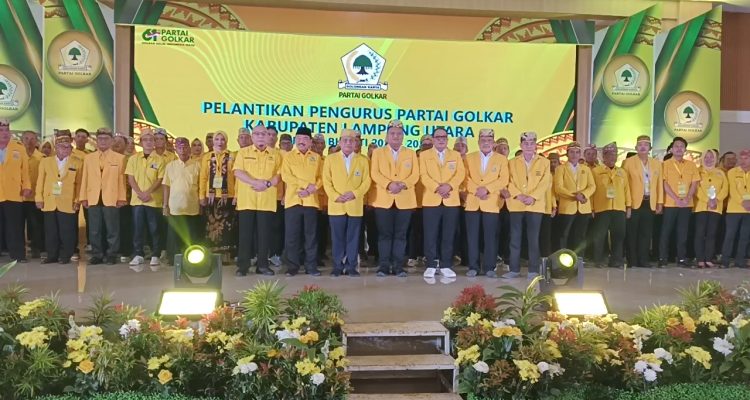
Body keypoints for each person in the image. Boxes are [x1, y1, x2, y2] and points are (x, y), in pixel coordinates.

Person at [369, 120, 419, 277]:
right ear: (386, 136)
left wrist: (403, 184)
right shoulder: (378, 153)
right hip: (384, 199)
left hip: (404, 200)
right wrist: (389, 184)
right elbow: (374, 173)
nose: (395, 136)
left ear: (403, 136)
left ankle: (398, 266)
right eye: (392, 133)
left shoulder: (410, 153)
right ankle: (383, 266)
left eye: (399, 134)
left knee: (401, 235)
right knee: (384, 235)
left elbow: (415, 174)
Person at [233, 124, 282, 276]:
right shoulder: (243, 152)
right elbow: (237, 172)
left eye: (264, 134)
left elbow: (279, 175)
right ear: (252, 137)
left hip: (266, 199)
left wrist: (267, 184)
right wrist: (255, 182)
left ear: (268, 136)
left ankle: (263, 265)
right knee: (245, 235)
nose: (261, 136)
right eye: (257, 134)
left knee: (264, 235)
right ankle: (243, 266)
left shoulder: (276, 154)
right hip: (247, 199)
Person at [322, 129, 371, 276]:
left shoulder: (363, 160)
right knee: (337, 238)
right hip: (336, 204)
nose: (348, 143)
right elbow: (326, 181)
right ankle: (337, 266)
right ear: (340, 142)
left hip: (355, 204)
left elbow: (367, 181)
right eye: (345, 140)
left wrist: (355, 194)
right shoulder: (330, 159)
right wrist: (335, 196)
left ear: (356, 143)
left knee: (354, 238)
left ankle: (351, 266)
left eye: (352, 140)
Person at [419, 128, 465, 279]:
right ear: (433, 139)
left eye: (444, 137)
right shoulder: (424, 155)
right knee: (430, 234)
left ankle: (446, 265)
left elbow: (460, 174)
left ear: (447, 139)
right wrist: (437, 188)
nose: (441, 139)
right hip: (431, 199)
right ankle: (431, 264)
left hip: (451, 199)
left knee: (448, 234)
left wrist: (449, 186)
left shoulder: (455, 155)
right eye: (438, 137)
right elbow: (423, 175)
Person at [505, 131, 550, 279]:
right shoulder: (512, 162)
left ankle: (533, 270)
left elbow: (545, 183)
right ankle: (514, 269)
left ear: (535, 145)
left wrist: (533, 197)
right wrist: (518, 195)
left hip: (535, 205)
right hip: (516, 204)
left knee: (533, 238)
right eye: (525, 143)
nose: (528, 146)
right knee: (515, 238)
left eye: (531, 143)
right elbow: (508, 181)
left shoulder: (544, 162)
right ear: (521, 145)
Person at [464, 129, 509, 277]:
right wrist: (477, 190)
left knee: (491, 237)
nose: (486, 143)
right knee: (472, 237)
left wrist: (487, 189)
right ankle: (473, 267)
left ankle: (489, 267)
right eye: (483, 140)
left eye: (489, 140)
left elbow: (503, 179)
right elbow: (465, 178)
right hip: (473, 201)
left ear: (493, 143)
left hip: (491, 202)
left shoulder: (501, 159)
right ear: (478, 142)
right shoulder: (469, 158)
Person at [79, 128, 127, 265]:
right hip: (93, 196)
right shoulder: (88, 158)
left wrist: (121, 197)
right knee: (94, 229)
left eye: (106, 139)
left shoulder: (120, 158)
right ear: (96, 141)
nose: (103, 141)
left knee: (112, 229)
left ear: (111, 141)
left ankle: (112, 254)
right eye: (100, 139)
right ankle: (97, 254)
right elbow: (84, 178)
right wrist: (83, 197)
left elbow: (122, 180)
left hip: (111, 197)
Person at [281, 127, 323, 276]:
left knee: (311, 236)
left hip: (311, 201)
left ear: (310, 142)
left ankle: (311, 266)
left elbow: (321, 177)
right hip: (293, 200)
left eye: (305, 139)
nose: (301, 141)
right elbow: (286, 176)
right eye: (298, 138)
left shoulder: (316, 158)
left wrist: (313, 188)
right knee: (292, 236)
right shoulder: (288, 157)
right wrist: (306, 186)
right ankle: (292, 267)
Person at [35, 136, 82, 264]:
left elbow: (79, 184)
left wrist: (77, 200)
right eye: (62, 147)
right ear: (56, 148)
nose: (65, 149)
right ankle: (52, 255)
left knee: (67, 230)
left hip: (68, 201)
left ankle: (65, 255)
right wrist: (38, 198)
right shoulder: (46, 161)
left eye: (68, 147)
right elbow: (40, 181)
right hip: (49, 200)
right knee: (50, 231)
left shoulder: (77, 162)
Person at [125, 130, 166, 271]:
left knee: (154, 228)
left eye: (151, 140)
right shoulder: (133, 159)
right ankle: (138, 254)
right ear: (141, 142)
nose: (148, 142)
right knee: (138, 228)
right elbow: (130, 178)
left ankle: (155, 254)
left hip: (153, 199)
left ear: (154, 142)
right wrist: (140, 193)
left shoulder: (160, 160)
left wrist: (148, 192)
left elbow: (160, 179)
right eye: (145, 140)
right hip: (137, 200)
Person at [622, 135, 663, 268]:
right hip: (634, 202)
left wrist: (660, 202)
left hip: (649, 201)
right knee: (632, 233)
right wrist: (627, 204)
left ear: (650, 148)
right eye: (640, 145)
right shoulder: (628, 162)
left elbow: (659, 184)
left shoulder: (656, 163)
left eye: (646, 145)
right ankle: (632, 260)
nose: (643, 147)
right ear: (636, 147)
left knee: (646, 233)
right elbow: (625, 186)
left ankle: (644, 260)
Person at [659, 137, 699, 267]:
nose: (679, 148)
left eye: (682, 146)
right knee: (666, 231)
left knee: (683, 232)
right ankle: (662, 258)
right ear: (671, 149)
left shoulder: (691, 165)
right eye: (676, 146)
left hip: (686, 204)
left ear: (685, 149)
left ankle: (681, 258)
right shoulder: (665, 164)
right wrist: (676, 199)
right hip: (670, 203)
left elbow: (694, 183)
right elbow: (664, 183)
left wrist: (687, 198)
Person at [591, 142, 631, 268]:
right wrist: (592, 208)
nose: (612, 157)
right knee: (600, 236)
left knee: (618, 235)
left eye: (614, 155)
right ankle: (599, 260)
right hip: (601, 208)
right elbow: (592, 190)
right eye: (609, 155)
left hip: (619, 208)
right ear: (604, 156)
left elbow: (627, 190)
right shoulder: (596, 171)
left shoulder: (622, 172)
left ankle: (616, 260)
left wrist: (628, 206)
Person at [162, 137, 202, 264]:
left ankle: (191, 260)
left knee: (192, 235)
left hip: (192, 206)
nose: (183, 150)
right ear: (176, 150)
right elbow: (166, 186)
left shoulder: (197, 165)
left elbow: (201, 186)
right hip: (175, 206)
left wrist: (201, 203)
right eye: (179, 148)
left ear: (189, 149)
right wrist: (165, 205)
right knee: (174, 236)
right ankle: (173, 260)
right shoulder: (170, 166)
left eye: (185, 147)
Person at [199, 131, 237, 258]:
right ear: (213, 141)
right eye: (217, 139)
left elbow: (236, 177)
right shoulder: (207, 157)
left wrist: (237, 195)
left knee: (227, 226)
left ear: (226, 141)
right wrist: (201, 196)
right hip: (211, 197)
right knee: (211, 226)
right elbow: (203, 177)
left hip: (228, 196)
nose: (220, 142)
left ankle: (226, 255)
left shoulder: (232, 156)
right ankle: (212, 255)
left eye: (222, 139)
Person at [553, 141, 595, 255]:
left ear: (580, 154)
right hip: (567, 207)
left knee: (581, 235)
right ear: (567, 153)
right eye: (572, 152)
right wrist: (574, 196)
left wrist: (583, 195)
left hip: (583, 207)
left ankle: (579, 258)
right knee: (564, 234)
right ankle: (562, 257)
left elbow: (592, 186)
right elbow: (558, 188)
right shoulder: (560, 168)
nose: (574, 155)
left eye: (577, 152)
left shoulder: (586, 169)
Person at [0, 119, 32, 263]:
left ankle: (18, 255)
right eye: (1, 130)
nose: (4, 133)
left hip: (14, 193)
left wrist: (26, 186)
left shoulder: (18, 148)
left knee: (15, 226)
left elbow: (25, 170)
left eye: (6, 130)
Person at [693, 149, 727, 268]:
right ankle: (700, 259)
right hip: (701, 207)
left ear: (715, 159)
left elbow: (725, 189)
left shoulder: (720, 173)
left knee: (711, 234)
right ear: (702, 158)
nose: (709, 159)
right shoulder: (697, 172)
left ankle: (708, 258)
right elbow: (696, 189)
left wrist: (716, 200)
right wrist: (707, 200)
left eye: (711, 157)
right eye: (706, 157)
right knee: (700, 233)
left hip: (716, 207)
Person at [720, 149, 750, 269]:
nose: (743, 160)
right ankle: (725, 261)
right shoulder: (732, 172)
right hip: (734, 209)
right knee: (730, 235)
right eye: (741, 158)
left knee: (745, 236)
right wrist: (743, 202)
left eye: (746, 158)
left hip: (748, 210)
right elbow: (732, 190)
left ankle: (740, 261)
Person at [22, 131, 45, 259]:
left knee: (36, 225)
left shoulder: (42, 158)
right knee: (17, 225)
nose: (29, 141)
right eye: (26, 138)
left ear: (36, 141)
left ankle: (36, 248)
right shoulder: (17, 156)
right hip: (19, 197)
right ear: (22, 140)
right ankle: (18, 249)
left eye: (32, 139)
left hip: (35, 198)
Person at [540, 153, 560, 257]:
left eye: (554, 162)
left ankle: (547, 255)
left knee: (548, 233)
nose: (552, 164)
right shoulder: (535, 174)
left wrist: (554, 206)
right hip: (536, 207)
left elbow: (551, 192)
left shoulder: (550, 175)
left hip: (549, 208)